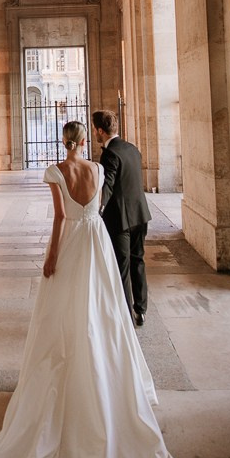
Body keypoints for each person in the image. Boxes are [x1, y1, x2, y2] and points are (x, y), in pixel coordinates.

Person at [0, 121, 185, 458]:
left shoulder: (56, 171)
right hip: (97, 243)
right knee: (102, 309)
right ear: (86, 140)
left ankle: (70, 370)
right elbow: (96, 208)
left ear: (63, 141)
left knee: (63, 314)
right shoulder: (98, 168)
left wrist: (51, 255)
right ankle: (102, 370)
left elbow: (59, 218)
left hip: (72, 241)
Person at [92, 109, 151, 327]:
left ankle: (125, 315)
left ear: (100, 130)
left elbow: (108, 183)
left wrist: (97, 208)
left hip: (121, 219)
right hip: (140, 214)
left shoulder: (109, 154)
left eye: (95, 130)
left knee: (122, 265)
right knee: (138, 260)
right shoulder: (132, 149)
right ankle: (141, 309)